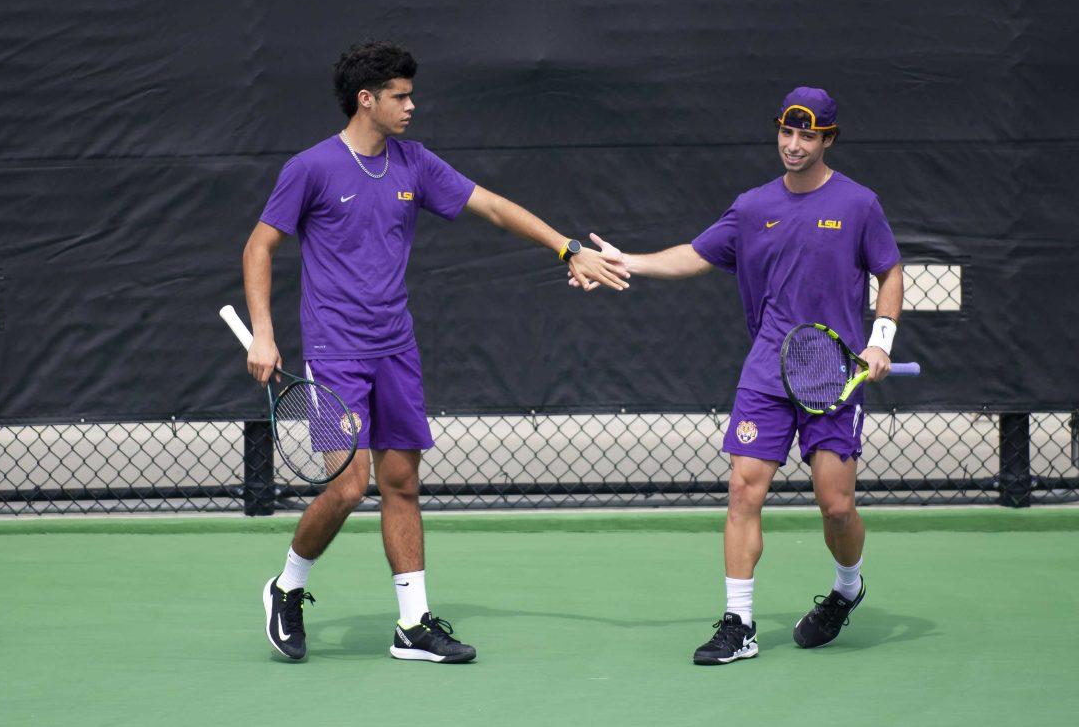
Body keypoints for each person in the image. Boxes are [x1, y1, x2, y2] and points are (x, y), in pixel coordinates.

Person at [241, 41, 627, 663]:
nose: (411, 105)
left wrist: (568, 247)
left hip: (396, 348)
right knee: (346, 485)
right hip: (337, 351)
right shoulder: (310, 168)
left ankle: (413, 625)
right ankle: (286, 587)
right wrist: (264, 330)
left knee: (402, 483)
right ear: (366, 99)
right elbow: (258, 247)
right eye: (400, 95)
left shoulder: (413, 163)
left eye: (410, 94)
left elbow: (493, 206)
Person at [576, 88, 903, 664]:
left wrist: (881, 341)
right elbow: (695, 254)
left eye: (807, 135)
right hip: (768, 372)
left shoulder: (859, 205)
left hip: (833, 377)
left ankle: (847, 588)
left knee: (836, 506)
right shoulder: (753, 207)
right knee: (743, 489)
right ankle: (739, 623)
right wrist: (630, 261)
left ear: (828, 138)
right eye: (786, 132)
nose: (794, 145)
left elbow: (890, 269)